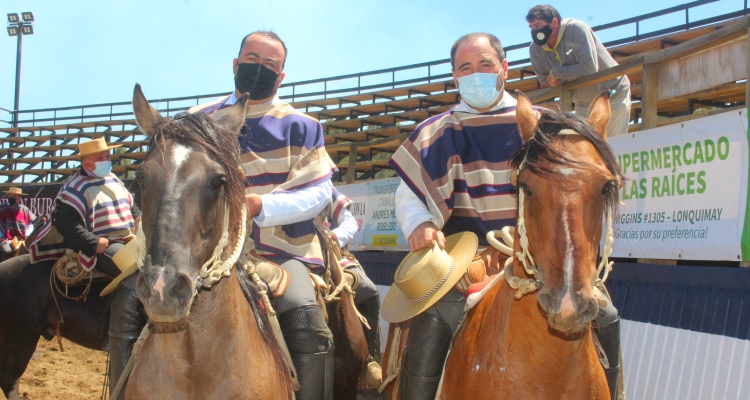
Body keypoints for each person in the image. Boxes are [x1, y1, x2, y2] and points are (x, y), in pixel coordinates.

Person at [386, 32, 624, 400]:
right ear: (454, 76)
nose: (475, 73)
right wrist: (420, 223)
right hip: (464, 258)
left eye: (485, 64)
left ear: (504, 69)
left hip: (539, 253)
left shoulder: (545, 128)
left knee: (606, 317)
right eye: (465, 67)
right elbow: (408, 193)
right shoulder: (433, 132)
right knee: (431, 327)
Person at [189, 31, 338, 400]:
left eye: (270, 64)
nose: (260, 68)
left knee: (305, 315)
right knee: (131, 296)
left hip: (281, 251)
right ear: (236, 64)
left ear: (282, 76)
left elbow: (318, 193)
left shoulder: (303, 125)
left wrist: (261, 206)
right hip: (200, 251)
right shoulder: (196, 119)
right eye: (252, 59)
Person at [27, 137, 145, 400]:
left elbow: (131, 205)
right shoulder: (74, 187)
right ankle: (121, 334)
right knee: (133, 273)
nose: (107, 161)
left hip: (127, 239)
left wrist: (137, 217)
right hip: (100, 247)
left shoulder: (114, 180)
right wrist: (94, 243)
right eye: (102, 157)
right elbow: (65, 223)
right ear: (87, 161)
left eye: (107, 157)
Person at [527, 4, 631, 137]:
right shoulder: (535, 49)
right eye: (531, 27)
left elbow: (588, 68)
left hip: (612, 94)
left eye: (538, 25)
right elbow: (546, 81)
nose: (535, 31)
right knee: (586, 150)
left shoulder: (577, 29)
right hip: (583, 102)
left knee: (614, 146)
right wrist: (569, 73)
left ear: (554, 22)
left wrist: (556, 73)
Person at [325, 188, 382, 387]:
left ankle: (368, 360)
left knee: (368, 289)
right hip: (275, 255)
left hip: (329, 254)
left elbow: (349, 222)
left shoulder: (323, 184)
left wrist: (333, 237)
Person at [0, 187, 36, 257]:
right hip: (6, 239)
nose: (11, 197)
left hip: (22, 238)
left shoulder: (25, 209)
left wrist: (27, 234)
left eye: (13, 196)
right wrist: (0, 236)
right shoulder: (2, 208)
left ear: (19, 198)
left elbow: (30, 224)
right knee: (6, 250)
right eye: (10, 195)